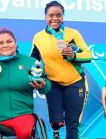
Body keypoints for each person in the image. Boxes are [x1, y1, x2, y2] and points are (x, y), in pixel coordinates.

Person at [30, 1, 92, 139]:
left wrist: (74, 55)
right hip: (53, 83)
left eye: (58, 15)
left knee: (72, 122)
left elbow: (88, 55)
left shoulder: (72, 34)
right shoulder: (38, 37)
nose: (55, 18)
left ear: (63, 16)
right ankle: (56, 134)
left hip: (75, 82)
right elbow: (33, 61)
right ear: (45, 17)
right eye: (51, 15)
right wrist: (31, 73)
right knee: (56, 122)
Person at [0, 28, 49, 139]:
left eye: (9, 41)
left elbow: (47, 86)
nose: (5, 45)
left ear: (16, 44)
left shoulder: (30, 62)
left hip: (23, 114)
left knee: (24, 131)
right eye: (0, 43)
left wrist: (43, 86)